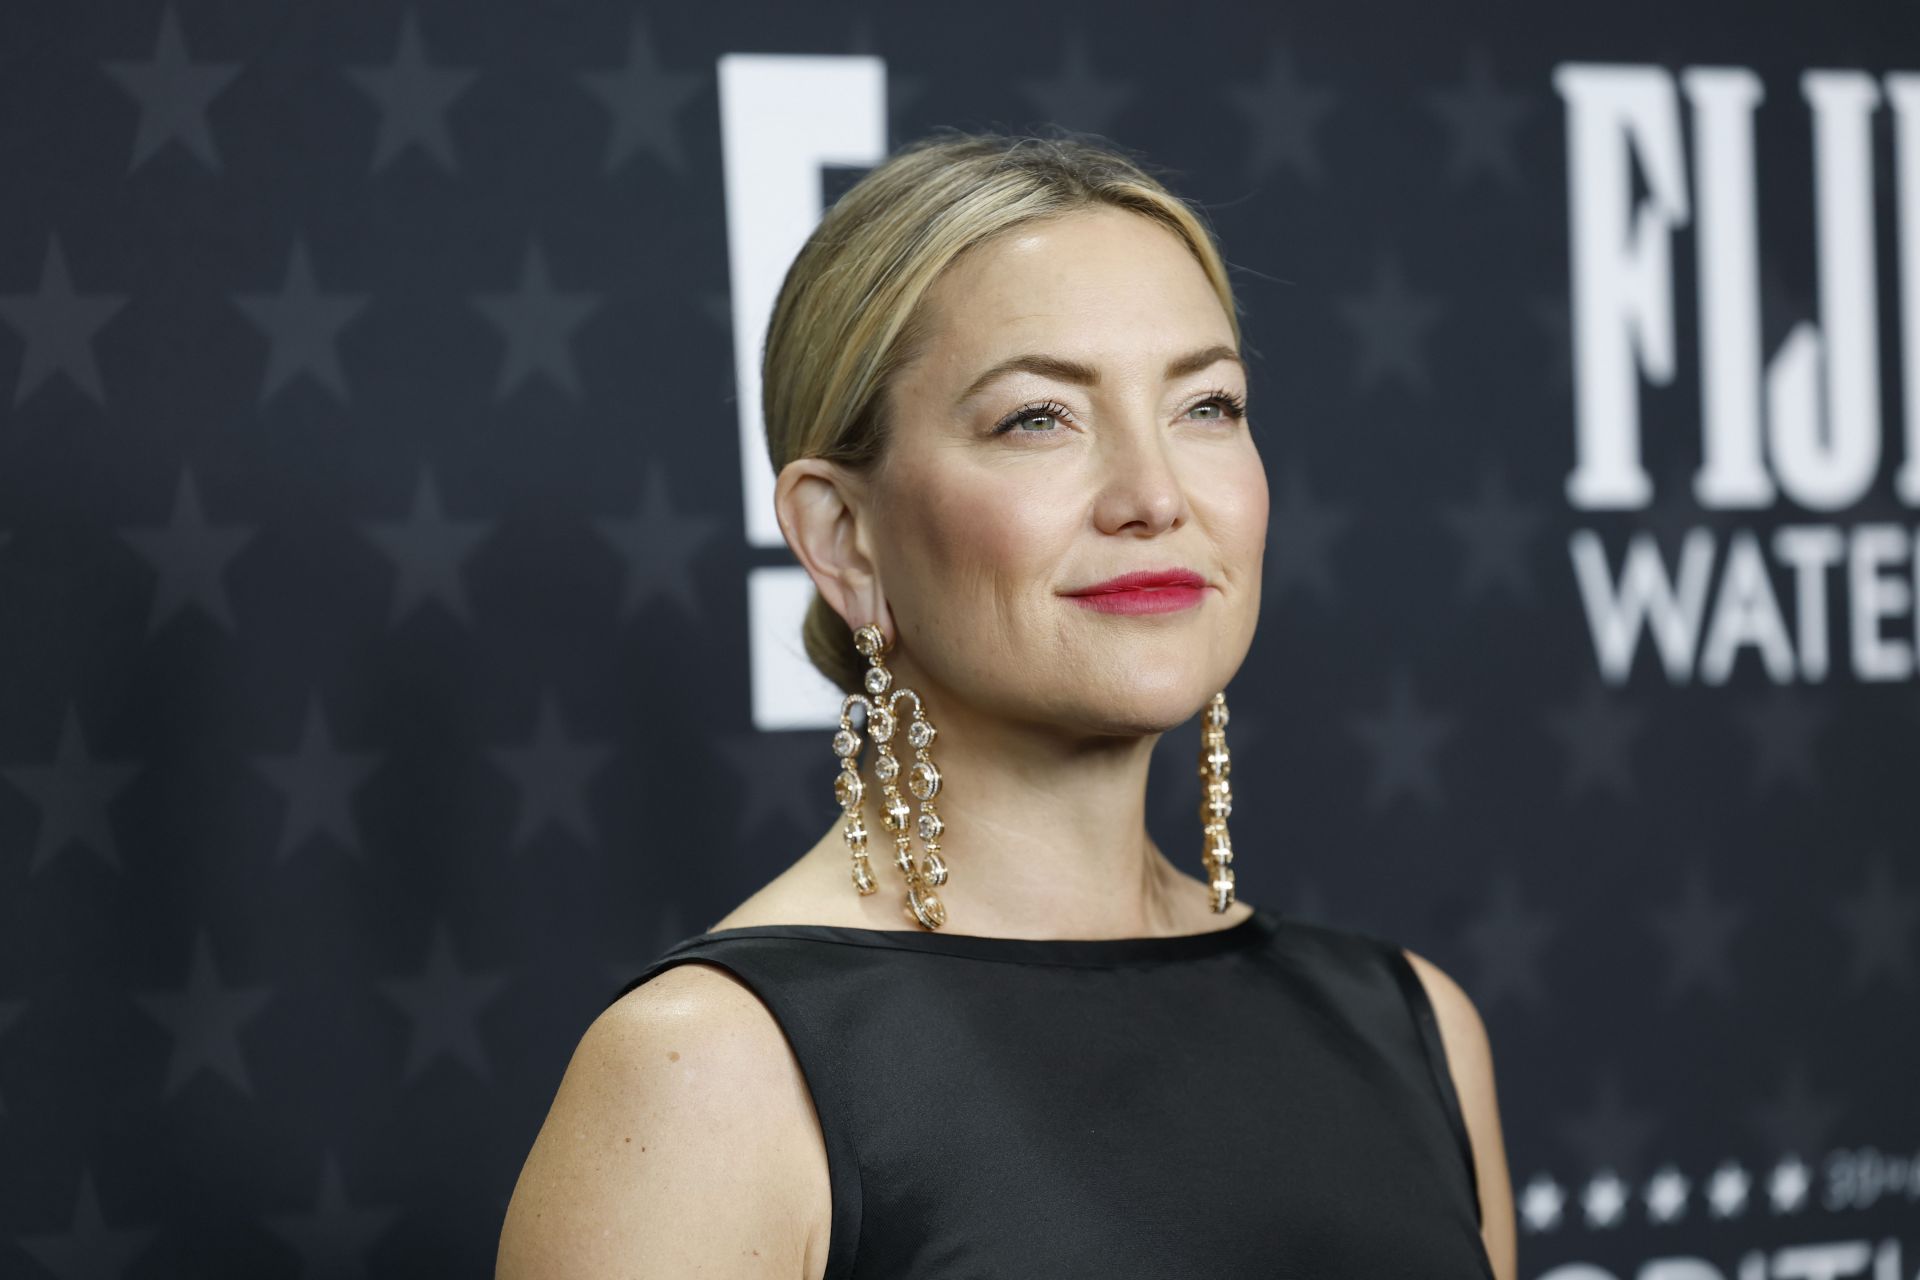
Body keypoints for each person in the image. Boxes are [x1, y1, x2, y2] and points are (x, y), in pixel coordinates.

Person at [496, 128, 1517, 1279]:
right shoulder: (712, 1072)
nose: (1152, 495)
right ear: (844, 535)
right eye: (1039, 417)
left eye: (1208, 404)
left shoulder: (1413, 1024)